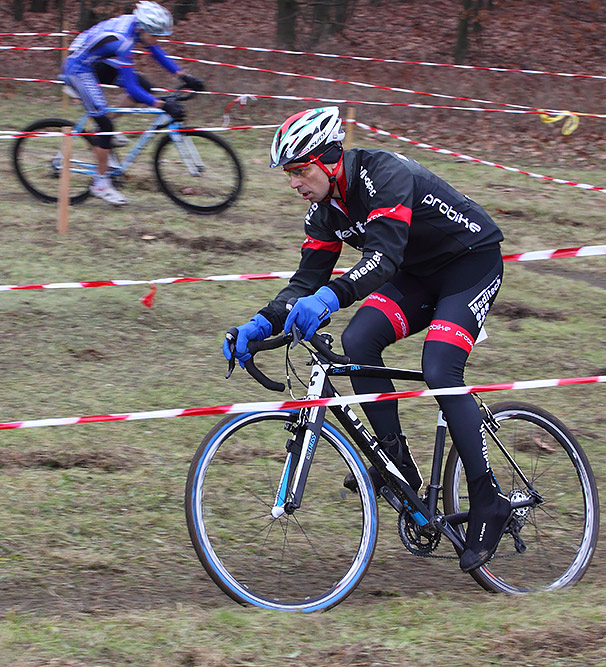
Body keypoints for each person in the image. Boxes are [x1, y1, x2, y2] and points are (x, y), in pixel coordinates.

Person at [223, 106, 512, 572]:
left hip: (470, 265)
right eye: (288, 174)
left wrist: (329, 299)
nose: (294, 182)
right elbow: (305, 279)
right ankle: (397, 462)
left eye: (299, 170)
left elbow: (383, 258)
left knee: (440, 367)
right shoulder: (323, 212)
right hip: (418, 275)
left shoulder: (385, 174)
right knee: (359, 342)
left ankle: (488, 500)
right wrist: (260, 322)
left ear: (330, 159)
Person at [62, 1, 204, 205]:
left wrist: (183, 76)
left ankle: (103, 129)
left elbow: (154, 50)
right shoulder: (123, 40)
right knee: (106, 126)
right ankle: (100, 184)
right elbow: (130, 87)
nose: (157, 40)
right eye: (154, 35)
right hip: (78, 67)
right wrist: (162, 105)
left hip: (95, 58)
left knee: (144, 86)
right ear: (142, 29)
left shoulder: (137, 26)